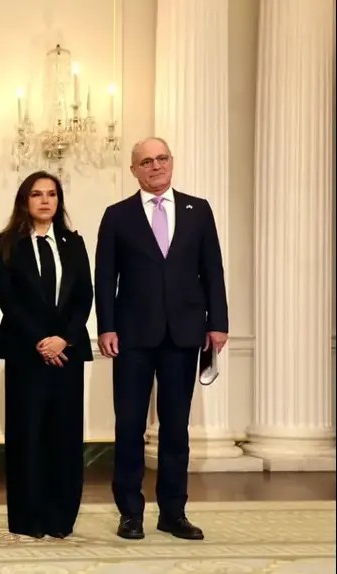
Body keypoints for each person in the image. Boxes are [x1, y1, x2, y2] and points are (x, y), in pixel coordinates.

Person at [95, 137, 229, 541]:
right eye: (146, 161)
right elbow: (105, 276)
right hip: (132, 336)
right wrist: (106, 326)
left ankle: (173, 512)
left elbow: (213, 270)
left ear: (172, 162)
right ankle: (130, 513)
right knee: (129, 426)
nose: (156, 166)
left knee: (175, 428)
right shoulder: (117, 215)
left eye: (162, 159)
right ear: (134, 170)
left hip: (184, 334)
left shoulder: (198, 210)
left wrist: (218, 322)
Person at [0, 171, 93, 539]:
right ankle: (28, 518)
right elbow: (7, 298)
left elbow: (84, 296)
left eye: (51, 194)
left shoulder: (73, 242)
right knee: (28, 436)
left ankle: (60, 517)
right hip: (26, 354)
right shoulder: (7, 243)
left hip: (67, 354)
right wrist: (40, 340)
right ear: (25, 200)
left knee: (64, 436)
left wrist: (63, 339)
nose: (45, 200)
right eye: (37, 194)